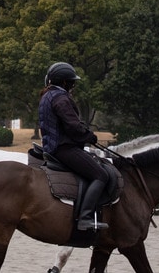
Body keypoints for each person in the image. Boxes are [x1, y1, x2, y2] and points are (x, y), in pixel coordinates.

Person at [37, 61, 110, 231]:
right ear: (64, 82)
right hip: (63, 148)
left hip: (54, 146)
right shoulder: (61, 98)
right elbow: (73, 126)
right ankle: (85, 218)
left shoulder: (48, 95)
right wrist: (89, 136)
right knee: (101, 175)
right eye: (72, 82)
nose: (73, 85)